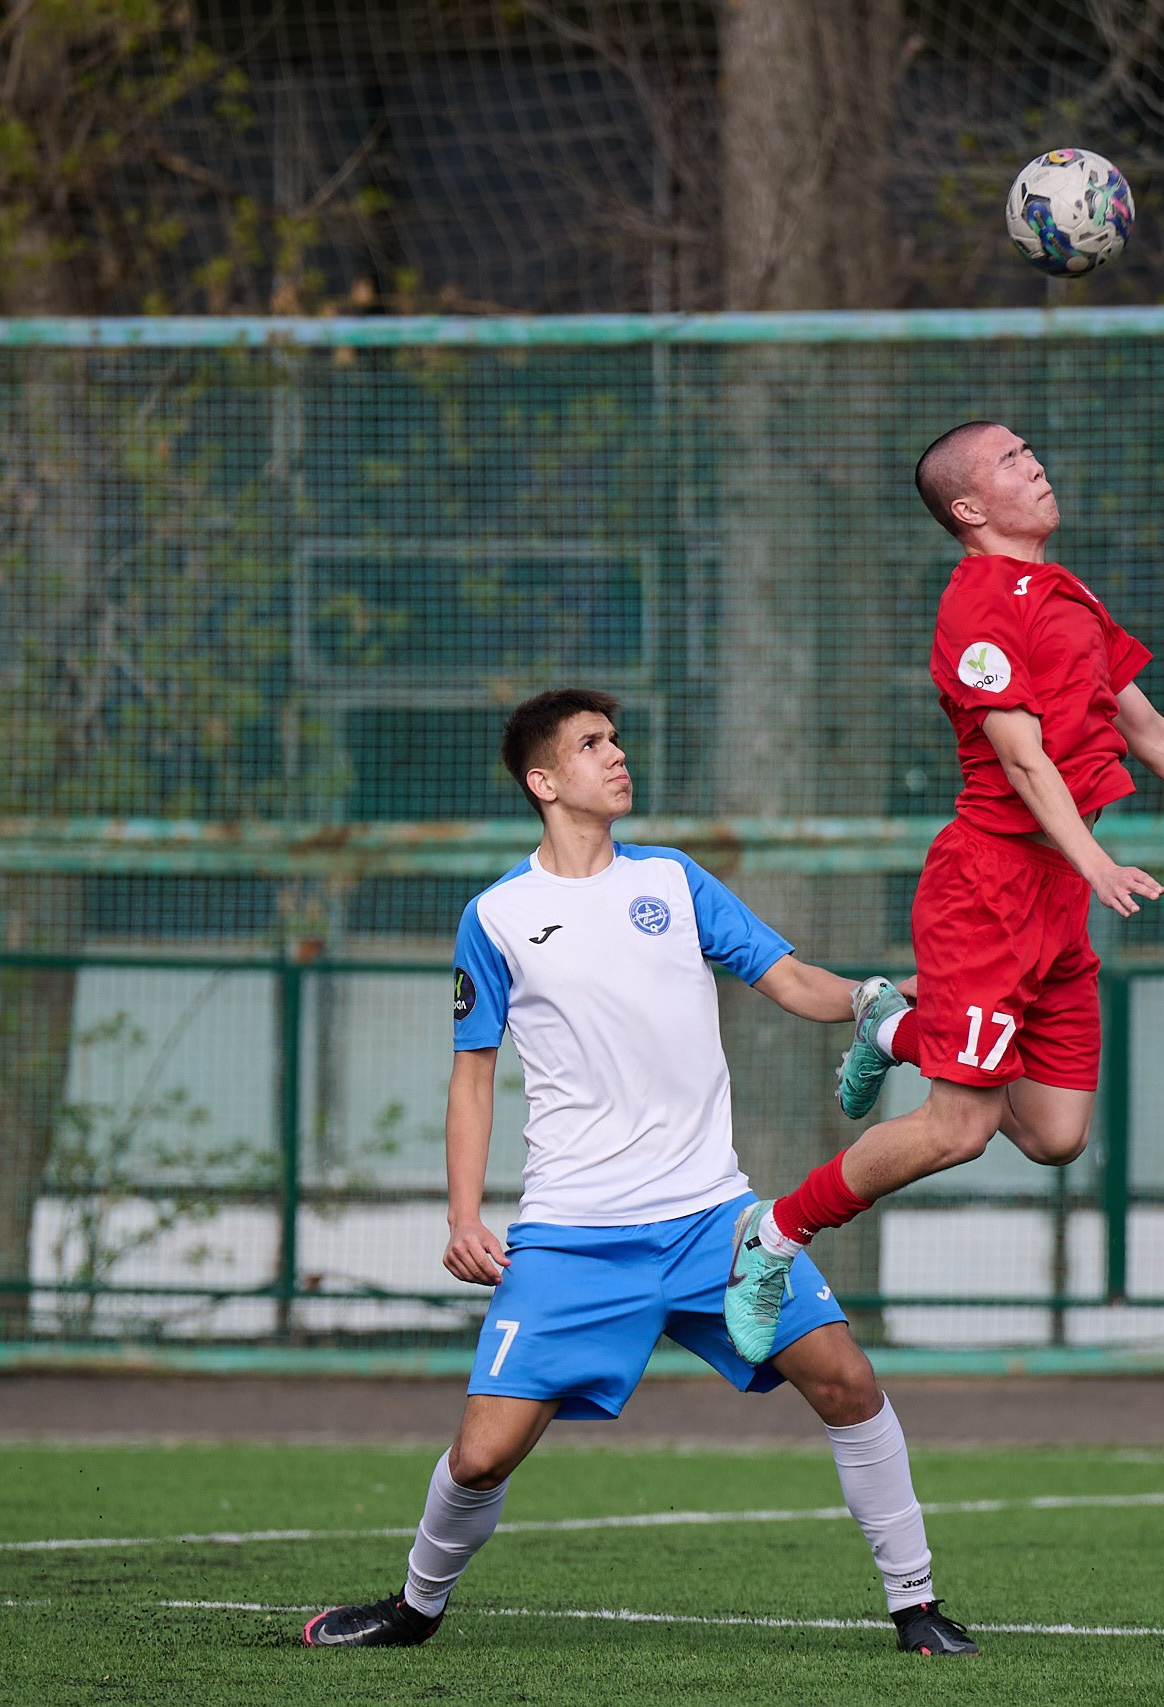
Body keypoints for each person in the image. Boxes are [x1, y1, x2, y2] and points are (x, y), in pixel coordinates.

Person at [303, 688, 976, 1657]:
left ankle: (915, 1606)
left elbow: (794, 982)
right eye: (590, 744)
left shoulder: (674, 880)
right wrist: (461, 1217)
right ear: (543, 782)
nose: (616, 755)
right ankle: (415, 1608)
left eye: (615, 739)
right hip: (575, 1235)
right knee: (483, 1455)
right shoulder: (496, 917)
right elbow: (472, 1079)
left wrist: (885, 1001)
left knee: (848, 1385)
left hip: (715, 1222)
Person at [724, 423, 1164, 1360]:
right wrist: (1093, 861)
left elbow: (1152, 731)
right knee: (959, 1129)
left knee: (1057, 1134)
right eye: (1012, 461)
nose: (1038, 465)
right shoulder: (976, 607)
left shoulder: (1069, 592)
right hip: (988, 892)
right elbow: (1021, 757)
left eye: (1032, 451)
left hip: (1057, 898)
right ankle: (775, 1231)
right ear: (970, 509)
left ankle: (894, 1027)